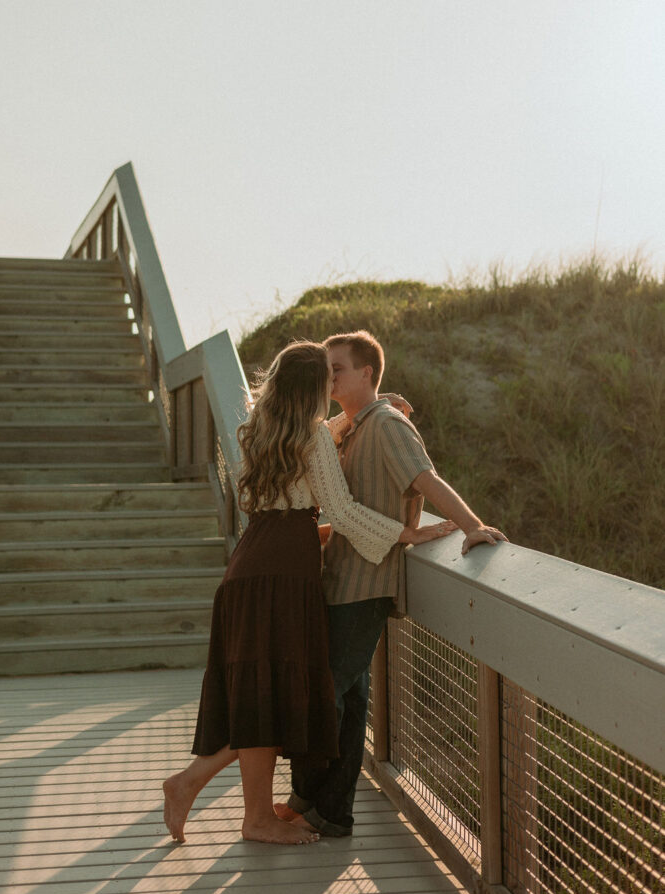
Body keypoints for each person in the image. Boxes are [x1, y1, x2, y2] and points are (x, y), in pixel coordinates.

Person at [162, 341, 453, 846]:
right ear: (314, 388)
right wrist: (406, 534)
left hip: (249, 565)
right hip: (286, 576)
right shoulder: (314, 438)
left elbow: (294, 478)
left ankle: (235, 806)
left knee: (261, 694)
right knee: (273, 696)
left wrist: (377, 408)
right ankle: (206, 791)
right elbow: (338, 510)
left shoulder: (256, 431)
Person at [279, 330, 508, 837]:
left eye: (337, 367)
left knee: (327, 693)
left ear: (366, 373)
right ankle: (332, 812)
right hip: (341, 576)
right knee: (352, 700)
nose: (329, 376)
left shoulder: (384, 426)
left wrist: (471, 526)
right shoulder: (354, 427)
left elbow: (426, 479)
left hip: (363, 582)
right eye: (326, 369)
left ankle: (306, 793)